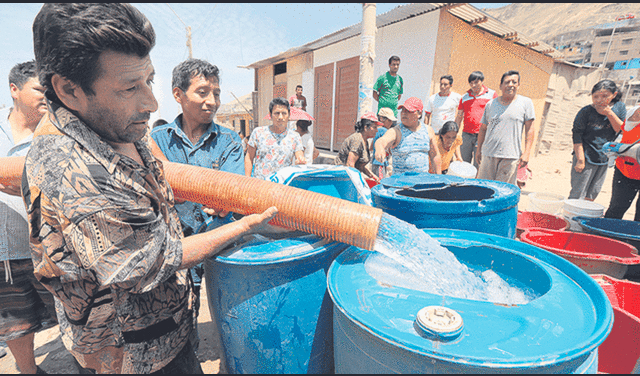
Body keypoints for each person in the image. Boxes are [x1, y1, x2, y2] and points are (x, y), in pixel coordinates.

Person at [26, 4, 277, 373]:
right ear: (68, 89)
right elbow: (155, 262)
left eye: (149, 80)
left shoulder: (110, 123)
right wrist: (242, 226)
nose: (151, 102)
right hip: (132, 356)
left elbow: (160, 172)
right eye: (130, 88)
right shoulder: (79, 175)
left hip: (165, 332)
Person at [150, 59, 245, 341]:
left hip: (220, 242)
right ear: (178, 95)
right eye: (202, 92)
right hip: (177, 247)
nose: (212, 101)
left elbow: (233, 189)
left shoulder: (229, 141)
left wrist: (226, 201)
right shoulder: (157, 141)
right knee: (181, 319)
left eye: (215, 93)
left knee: (231, 311)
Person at [0, 61, 56, 375]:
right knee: (15, 322)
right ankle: (28, 371)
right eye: (39, 88)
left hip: (48, 247)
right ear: (14, 90)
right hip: (4, 251)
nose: (47, 95)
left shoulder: (52, 134)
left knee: (70, 312)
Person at [569, 80, 625, 201]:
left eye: (605, 96)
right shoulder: (585, 112)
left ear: (614, 95)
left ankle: (583, 218)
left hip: (604, 157)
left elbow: (620, 130)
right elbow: (577, 136)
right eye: (595, 97)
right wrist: (580, 160)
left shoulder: (619, 107)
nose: (599, 100)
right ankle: (570, 218)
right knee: (577, 192)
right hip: (586, 156)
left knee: (592, 193)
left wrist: (609, 113)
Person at [476, 71, 535, 185]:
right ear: (500, 86)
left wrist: (527, 153)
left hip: (510, 156)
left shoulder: (526, 103)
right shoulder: (491, 104)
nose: (511, 85)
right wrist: (479, 150)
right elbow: (483, 128)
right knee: (483, 188)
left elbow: (530, 129)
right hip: (489, 154)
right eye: (507, 82)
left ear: (518, 85)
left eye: (514, 82)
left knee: (503, 191)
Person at [374, 97, 441, 175]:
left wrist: (438, 178)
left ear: (419, 113)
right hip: (401, 184)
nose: (404, 113)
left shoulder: (428, 131)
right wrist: (379, 149)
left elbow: (435, 156)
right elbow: (382, 141)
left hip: (422, 183)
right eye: (402, 110)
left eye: (409, 111)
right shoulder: (396, 131)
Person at [245, 97, 306, 180]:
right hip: (260, 187)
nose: (280, 117)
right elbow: (249, 157)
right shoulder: (258, 133)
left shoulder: (295, 136)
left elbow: (299, 156)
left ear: (289, 116)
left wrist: (300, 160)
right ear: (270, 115)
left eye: (284, 113)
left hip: (283, 187)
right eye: (277, 113)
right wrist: (247, 180)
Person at [603, 105, 640, 220]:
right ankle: (606, 234)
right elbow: (625, 130)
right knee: (616, 208)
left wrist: (622, 148)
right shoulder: (633, 114)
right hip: (625, 171)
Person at [455, 71, 498, 167]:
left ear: (482, 81)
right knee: (463, 162)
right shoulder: (464, 97)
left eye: (476, 82)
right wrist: (455, 131)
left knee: (479, 163)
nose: (473, 85)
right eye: (471, 83)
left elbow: (497, 114)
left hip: (483, 135)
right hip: (466, 135)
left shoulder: (492, 95)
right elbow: (459, 116)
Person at [334, 112, 382, 182]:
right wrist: (361, 180)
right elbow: (350, 165)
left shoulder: (365, 141)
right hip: (341, 178)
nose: (377, 130)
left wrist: (373, 176)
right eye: (374, 127)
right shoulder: (357, 140)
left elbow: (361, 166)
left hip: (349, 176)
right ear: (366, 128)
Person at [371, 107, 396, 179]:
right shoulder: (384, 131)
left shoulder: (377, 130)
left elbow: (371, 147)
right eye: (390, 120)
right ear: (382, 119)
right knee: (380, 182)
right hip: (380, 163)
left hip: (375, 162)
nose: (391, 123)